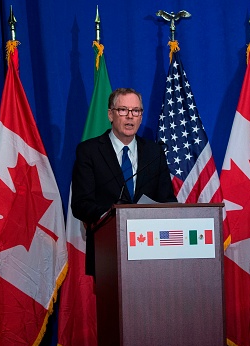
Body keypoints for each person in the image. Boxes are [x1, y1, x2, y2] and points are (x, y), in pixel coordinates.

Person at [71, 88, 177, 273]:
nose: (130, 117)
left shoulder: (154, 152)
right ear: (110, 114)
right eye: (123, 110)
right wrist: (114, 215)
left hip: (151, 251)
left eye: (136, 111)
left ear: (141, 117)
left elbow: (167, 200)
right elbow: (81, 204)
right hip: (108, 251)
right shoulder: (89, 151)